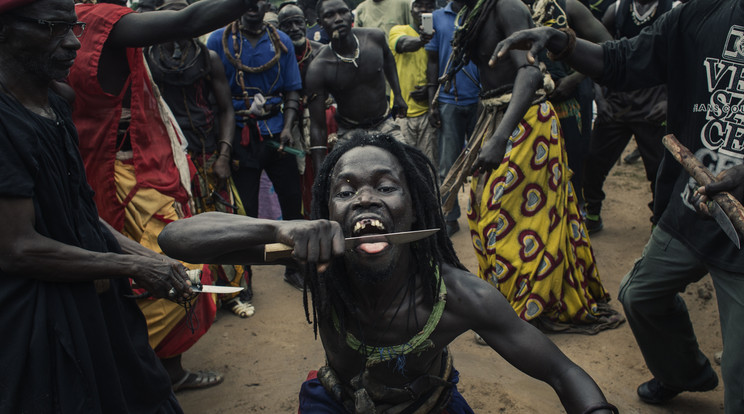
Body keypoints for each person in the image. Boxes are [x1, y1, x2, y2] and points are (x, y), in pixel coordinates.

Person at [158, 133, 619, 414]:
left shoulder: (459, 298)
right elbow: (176, 239)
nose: (364, 199)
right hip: (334, 403)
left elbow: (561, 372)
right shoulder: (318, 265)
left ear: (414, 206)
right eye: (345, 190)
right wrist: (278, 226)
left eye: (385, 186)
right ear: (326, 210)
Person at [493, 0, 743, 410]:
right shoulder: (700, 15)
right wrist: (563, 43)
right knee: (639, 296)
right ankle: (682, 372)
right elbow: (622, 59)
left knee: (739, 371)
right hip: (691, 207)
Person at [0, 0, 194, 411]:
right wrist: (133, 266)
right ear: (5, 31)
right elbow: (17, 248)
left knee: (143, 391)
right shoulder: (5, 123)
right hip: (39, 321)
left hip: (91, 300)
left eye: (73, 28)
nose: (72, 43)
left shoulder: (55, 105)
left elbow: (83, 214)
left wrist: (146, 256)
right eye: (53, 28)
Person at [68, 0, 261, 391]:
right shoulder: (100, 21)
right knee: (176, 271)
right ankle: (135, 371)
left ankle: (157, 370)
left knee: (130, 273)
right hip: (126, 171)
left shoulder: (70, 24)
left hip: (99, 164)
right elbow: (188, 20)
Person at [437, 0, 622, 333]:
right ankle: (511, 302)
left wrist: (502, 136)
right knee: (485, 214)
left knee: (507, 216)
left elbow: (531, 70)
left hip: (525, 123)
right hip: (498, 117)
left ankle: (524, 308)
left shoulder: (506, 6)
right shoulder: (476, 12)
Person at [144, 0, 256, 323]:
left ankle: (235, 292)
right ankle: (198, 297)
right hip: (171, 160)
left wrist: (223, 154)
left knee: (226, 223)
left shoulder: (208, 58)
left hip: (209, 154)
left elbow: (226, 109)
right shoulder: (147, 59)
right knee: (183, 229)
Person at [206, 1, 307, 290]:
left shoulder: (281, 41)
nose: (252, 5)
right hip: (241, 137)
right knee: (245, 212)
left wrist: (288, 127)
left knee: (292, 204)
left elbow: (292, 90)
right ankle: (244, 279)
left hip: (277, 137)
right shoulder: (219, 40)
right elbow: (214, 97)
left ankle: (294, 267)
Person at [581, 0, 672, 233]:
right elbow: (599, 54)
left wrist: (669, 101)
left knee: (659, 170)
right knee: (594, 161)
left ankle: (659, 224)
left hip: (653, 105)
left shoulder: (673, 10)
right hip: (617, 103)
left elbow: (688, 60)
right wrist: (600, 98)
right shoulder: (617, 9)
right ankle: (592, 213)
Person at [305, 0, 408, 170]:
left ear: (350, 15)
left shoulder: (374, 38)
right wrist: (321, 175)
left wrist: (398, 95)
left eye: (342, 12)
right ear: (320, 23)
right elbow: (318, 126)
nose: (338, 19)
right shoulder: (319, 68)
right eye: (330, 15)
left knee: (414, 171)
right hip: (348, 131)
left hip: (385, 124)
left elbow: (389, 60)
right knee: (341, 181)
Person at [425, 0, 481, 237]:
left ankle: (487, 211)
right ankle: (450, 216)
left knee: (486, 160)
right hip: (449, 100)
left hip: (481, 98)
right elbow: (432, 61)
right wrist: (433, 102)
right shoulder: (437, 17)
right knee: (448, 165)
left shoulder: (481, 11)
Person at [388, 0, 438, 165]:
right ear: (410, 10)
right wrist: (422, 40)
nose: (424, 10)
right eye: (418, 5)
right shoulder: (398, 30)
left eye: (429, 6)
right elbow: (402, 45)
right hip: (403, 114)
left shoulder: (438, 34)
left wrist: (430, 90)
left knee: (429, 165)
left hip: (429, 113)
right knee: (403, 166)